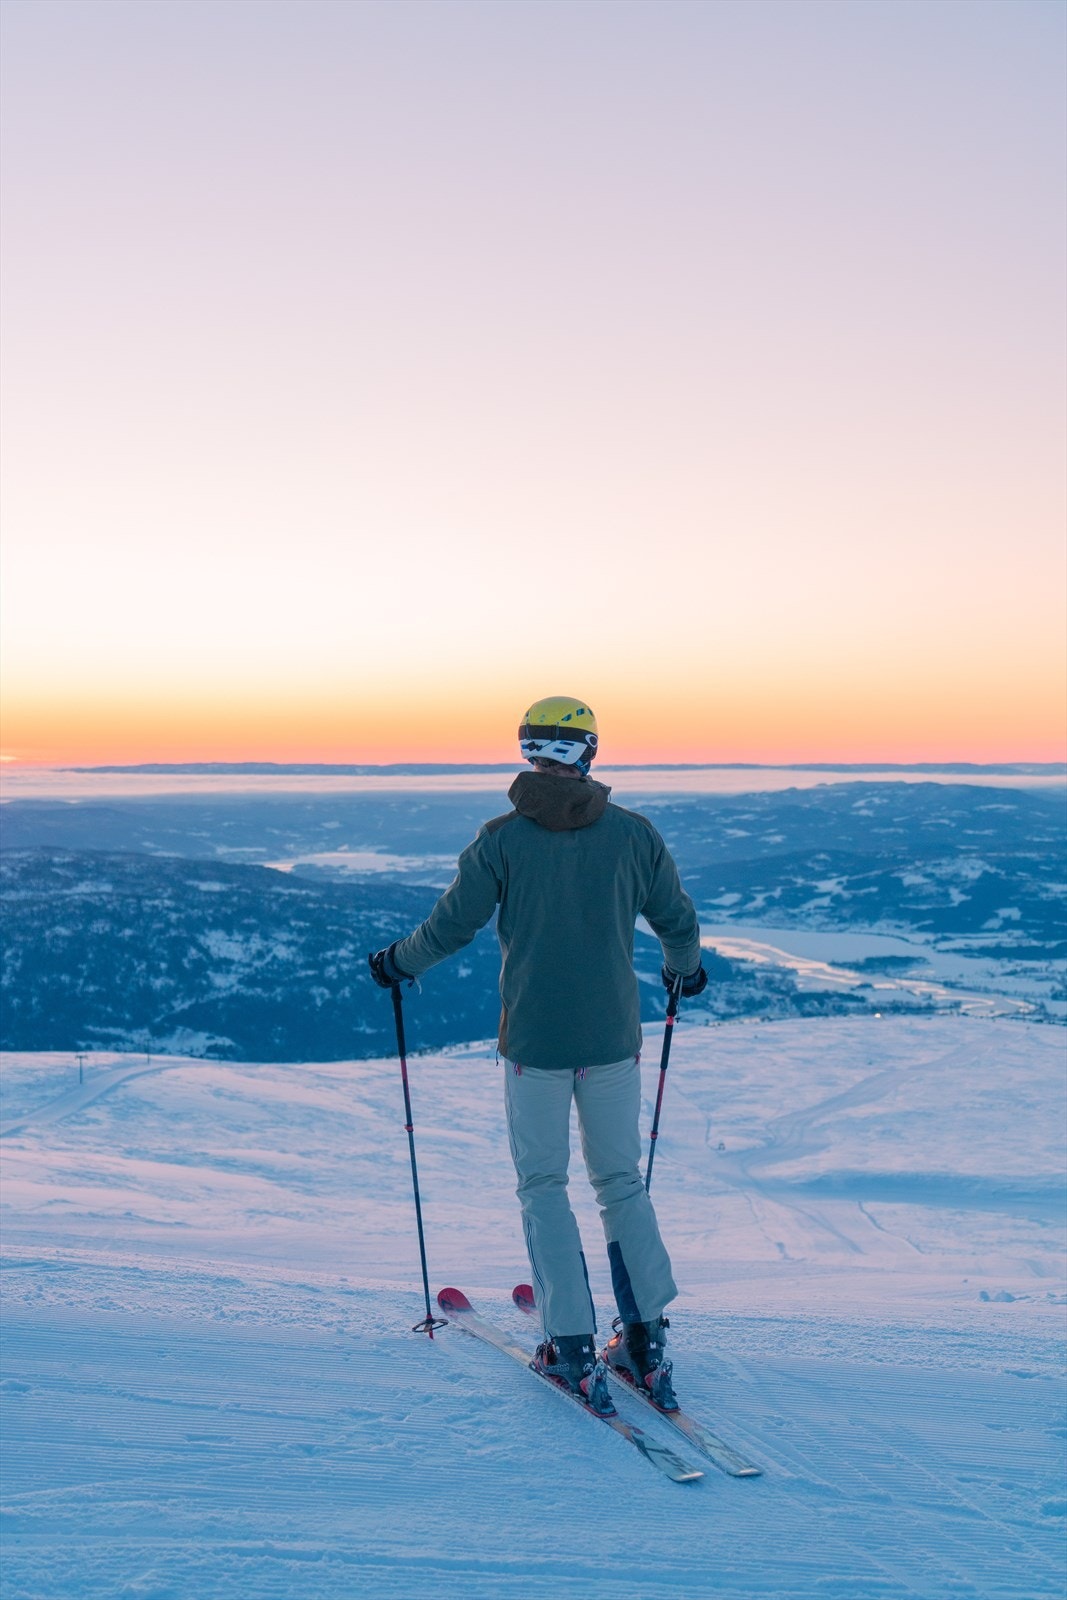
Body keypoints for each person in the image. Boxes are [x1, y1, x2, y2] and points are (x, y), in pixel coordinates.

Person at [369, 695, 707, 1414]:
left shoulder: (501, 840)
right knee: (620, 1182)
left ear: (526, 750)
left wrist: (398, 964)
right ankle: (646, 1343)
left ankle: (571, 1347)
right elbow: (676, 921)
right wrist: (685, 967)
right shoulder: (633, 835)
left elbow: (449, 928)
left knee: (543, 1186)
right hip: (613, 1041)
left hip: (533, 1044)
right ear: (589, 752)